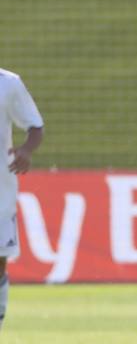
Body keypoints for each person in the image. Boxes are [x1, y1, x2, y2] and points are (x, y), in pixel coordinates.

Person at [0, 68, 44, 331]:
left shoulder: (8, 83)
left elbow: (35, 126)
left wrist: (26, 150)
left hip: (0, 192)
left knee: (0, 260)